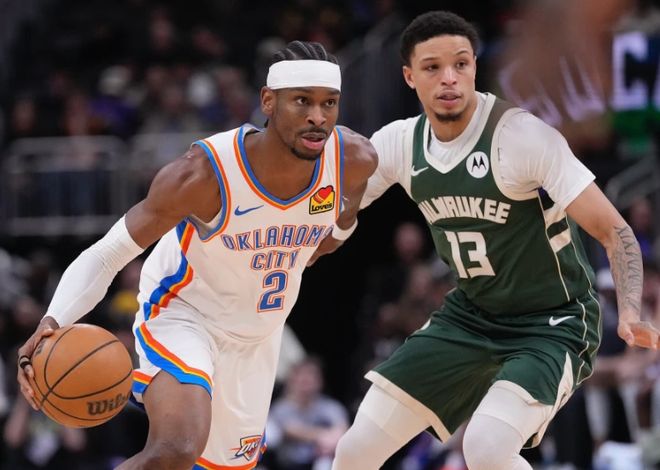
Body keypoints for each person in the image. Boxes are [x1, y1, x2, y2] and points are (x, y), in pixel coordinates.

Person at [317, 11, 660, 470]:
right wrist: (305, 244)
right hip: (470, 314)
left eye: (460, 64)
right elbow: (337, 210)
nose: (449, 78)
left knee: (486, 448)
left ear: (475, 67)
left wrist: (631, 309)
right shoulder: (399, 142)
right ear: (409, 76)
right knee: (354, 450)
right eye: (433, 67)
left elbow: (615, 230)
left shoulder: (521, 137)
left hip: (551, 321)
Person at [16, 40, 377, 470]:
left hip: (258, 335)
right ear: (268, 101)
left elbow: (341, 224)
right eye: (302, 101)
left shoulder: (353, 159)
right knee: (177, 448)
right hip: (185, 314)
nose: (318, 116)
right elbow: (108, 254)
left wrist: (314, 246)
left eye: (329, 103)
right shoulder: (204, 174)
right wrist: (53, 320)